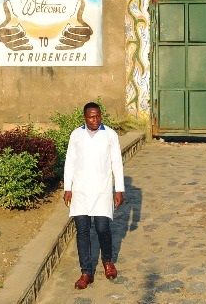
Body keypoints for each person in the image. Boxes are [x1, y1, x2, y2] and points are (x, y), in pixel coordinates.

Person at [62, 102, 125, 290]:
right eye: (91, 117)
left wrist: (119, 189)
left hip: (102, 190)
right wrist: (68, 188)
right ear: (84, 118)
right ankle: (86, 272)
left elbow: (117, 163)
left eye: (97, 116)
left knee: (102, 228)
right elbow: (70, 162)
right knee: (82, 232)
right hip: (80, 191)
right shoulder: (76, 135)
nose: (95, 120)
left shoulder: (110, 135)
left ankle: (107, 262)